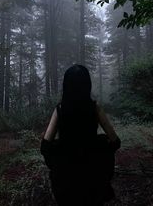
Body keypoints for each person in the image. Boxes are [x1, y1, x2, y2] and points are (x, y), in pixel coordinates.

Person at [41, 64, 121, 206]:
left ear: (66, 85)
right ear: (87, 84)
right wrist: (101, 147)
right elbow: (115, 141)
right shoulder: (94, 108)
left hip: (65, 180)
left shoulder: (60, 110)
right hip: (93, 177)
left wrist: (58, 160)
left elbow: (45, 146)